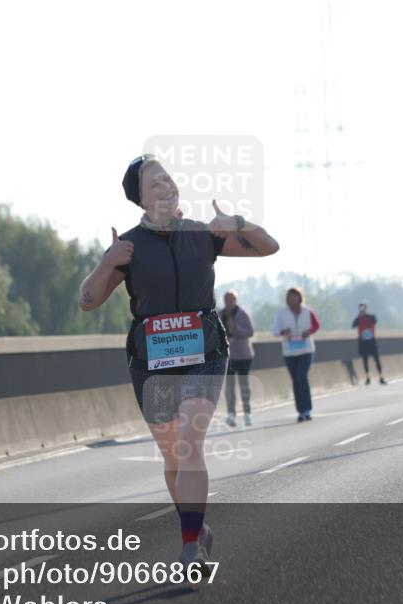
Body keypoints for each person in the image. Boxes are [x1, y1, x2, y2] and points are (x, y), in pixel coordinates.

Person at [78, 154, 279, 574]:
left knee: (189, 445)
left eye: (168, 178)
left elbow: (268, 247)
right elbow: (88, 301)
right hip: (151, 363)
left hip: (205, 352)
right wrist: (106, 261)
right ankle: (197, 528)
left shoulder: (203, 235)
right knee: (173, 456)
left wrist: (238, 222)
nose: (166, 186)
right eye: (155, 184)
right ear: (140, 198)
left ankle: (190, 548)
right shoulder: (129, 246)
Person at [273, 287, 320, 422]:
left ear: (300, 297)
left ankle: (307, 409)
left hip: (306, 350)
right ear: (287, 299)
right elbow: (275, 330)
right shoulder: (282, 313)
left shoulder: (308, 311)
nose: (293, 299)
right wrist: (283, 332)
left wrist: (308, 332)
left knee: (302, 377)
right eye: (290, 297)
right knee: (296, 380)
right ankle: (300, 411)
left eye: (295, 296)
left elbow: (316, 325)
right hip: (290, 351)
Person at [221, 290, 255, 428]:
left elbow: (250, 332)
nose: (229, 302)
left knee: (244, 385)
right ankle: (231, 414)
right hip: (228, 356)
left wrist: (237, 329)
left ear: (236, 300)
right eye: (227, 299)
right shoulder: (220, 314)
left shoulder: (242, 314)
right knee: (229, 386)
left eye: (231, 299)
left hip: (243, 355)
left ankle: (247, 414)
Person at [351, 303, 386, 385]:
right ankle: (367, 377)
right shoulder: (358, 318)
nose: (362, 310)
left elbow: (375, 321)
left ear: (366, 308)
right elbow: (353, 325)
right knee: (365, 360)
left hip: (371, 341)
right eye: (361, 308)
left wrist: (366, 315)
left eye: (363, 308)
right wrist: (359, 316)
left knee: (376, 359)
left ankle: (381, 377)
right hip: (363, 342)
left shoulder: (371, 316)